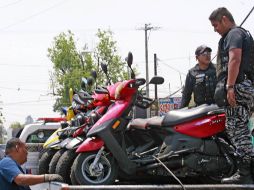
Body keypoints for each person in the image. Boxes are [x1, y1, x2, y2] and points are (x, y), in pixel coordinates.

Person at [209, 7, 254, 184]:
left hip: (238, 86)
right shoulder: (244, 34)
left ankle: (244, 174)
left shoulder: (234, 34)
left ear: (225, 19)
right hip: (246, 86)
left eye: (216, 25)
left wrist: (229, 87)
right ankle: (248, 171)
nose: (215, 29)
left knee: (237, 130)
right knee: (241, 129)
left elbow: (234, 58)